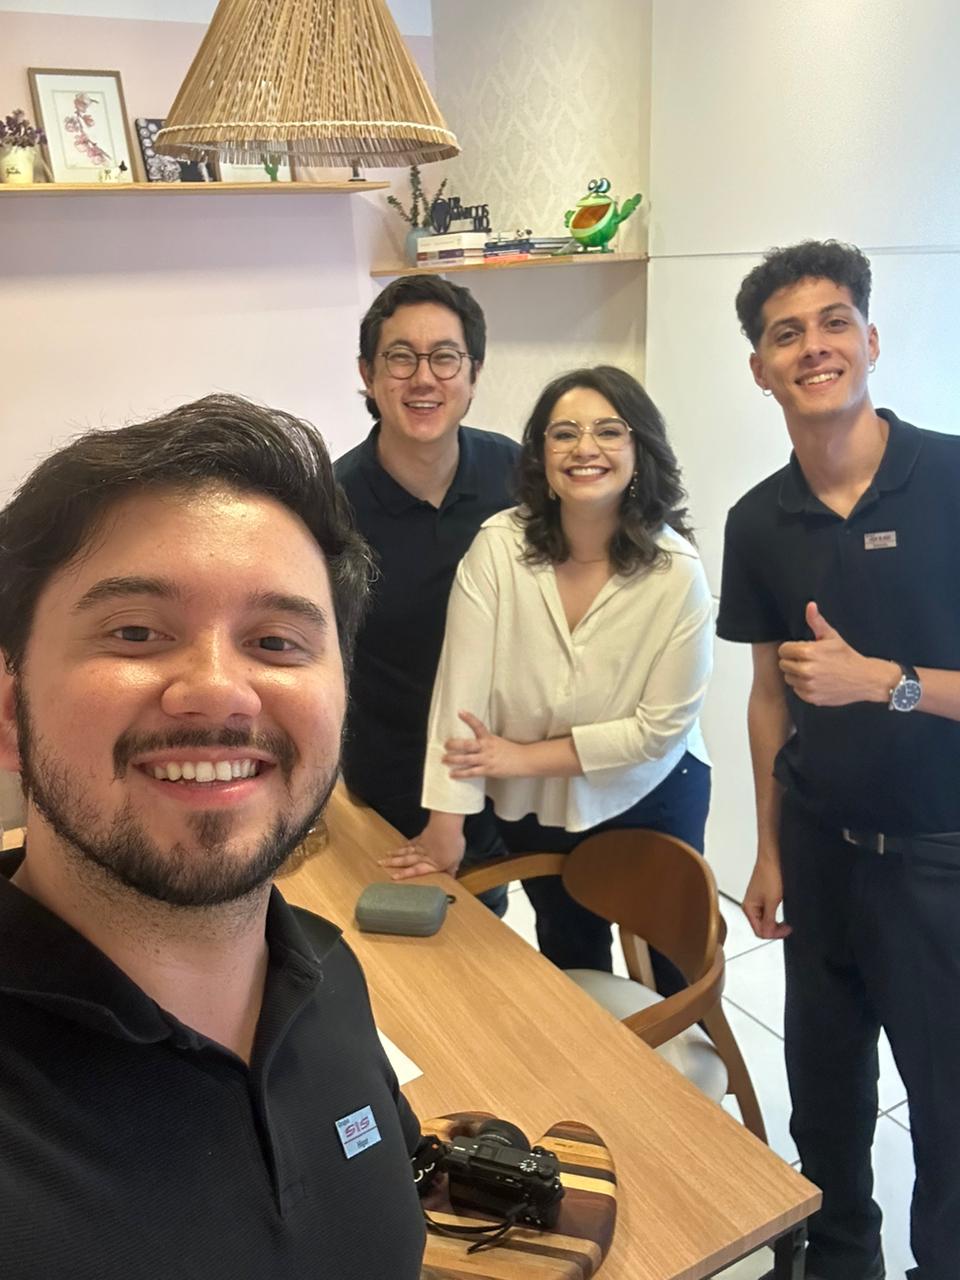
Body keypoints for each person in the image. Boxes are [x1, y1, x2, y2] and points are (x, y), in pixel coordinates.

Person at [0, 396, 425, 1280]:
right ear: (10, 713)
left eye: (276, 641)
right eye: (135, 632)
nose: (219, 691)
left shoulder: (329, 975)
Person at [718, 240, 960, 1280]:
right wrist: (768, 849)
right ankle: (841, 1262)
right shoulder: (757, 520)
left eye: (832, 323)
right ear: (760, 369)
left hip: (940, 857)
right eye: (787, 334)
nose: (813, 346)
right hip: (821, 852)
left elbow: (863, 683)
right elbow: (770, 693)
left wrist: (885, 681)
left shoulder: (950, 478)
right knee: (825, 1099)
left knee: (947, 1110)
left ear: (871, 339)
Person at [385, 365, 713, 981]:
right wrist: (445, 826)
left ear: (640, 450)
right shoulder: (498, 548)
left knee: (671, 971)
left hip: (648, 794)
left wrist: (519, 758)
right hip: (533, 807)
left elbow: (657, 731)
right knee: (570, 957)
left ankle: (678, 1048)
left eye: (609, 431)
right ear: (541, 455)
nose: (585, 448)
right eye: (564, 433)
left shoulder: (677, 571)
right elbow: (459, 692)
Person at [335, 276, 519, 912]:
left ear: (473, 374)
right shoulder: (330, 506)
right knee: (432, 946)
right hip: (397, 780)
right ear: (367, 373)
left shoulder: (519, 475)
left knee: (528, 935)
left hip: (518, 766)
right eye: (399, 358)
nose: (423, 379)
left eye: (445, 357)